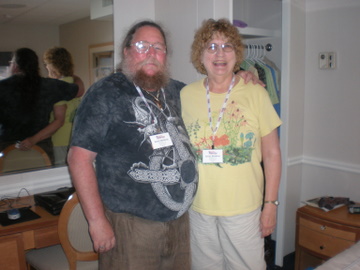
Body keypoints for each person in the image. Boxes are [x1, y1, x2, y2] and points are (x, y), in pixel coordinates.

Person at [67, 20, 260, 270]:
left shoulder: (177, 91)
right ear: (126, 51)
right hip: (132, 227)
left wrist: (240, 76)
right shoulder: (106, 93)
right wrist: (96, 221)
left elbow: (215, 88)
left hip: (181, 223)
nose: (151, 53)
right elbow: (78, 159)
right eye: (142, 45)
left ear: (165, 55)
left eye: (158, 47)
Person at [180, 18, 282, 270]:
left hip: (243, 208)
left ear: (237, 54)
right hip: (198, 207)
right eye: (211, 46)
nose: (219, 54)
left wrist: (270, 204)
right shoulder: (185, 95)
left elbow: (271, 153)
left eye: (227, 46)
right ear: (200, 55)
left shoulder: (255, 92)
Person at [0, 48, 79, 162]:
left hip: (7, 147)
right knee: (46, 179)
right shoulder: (49, 86)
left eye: (11, 63)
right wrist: (76, 78)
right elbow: (78, 90)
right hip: (40, 147)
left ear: (16, 66)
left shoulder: (2, 87)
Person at [43, 47, 85, 165]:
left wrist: (34, 139)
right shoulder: (75, 82)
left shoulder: (58, 88)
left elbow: (59, 121)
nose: (46, 67)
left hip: (60, 140)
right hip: (75, 137)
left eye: (47, 64)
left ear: (53, 65)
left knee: (61, 177)